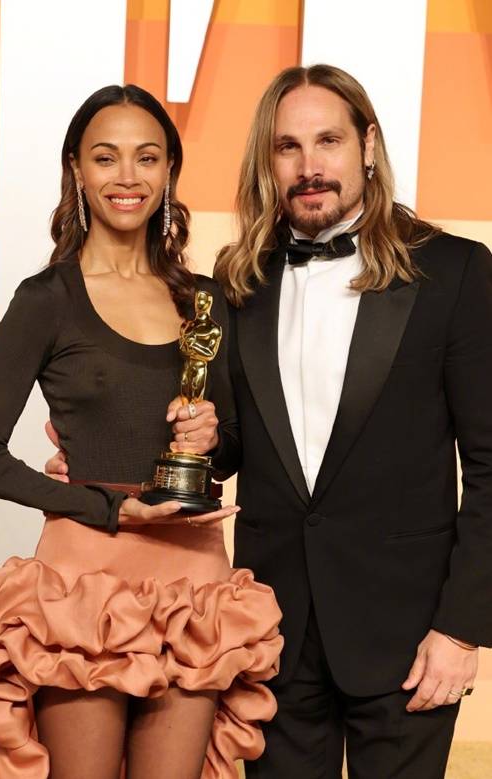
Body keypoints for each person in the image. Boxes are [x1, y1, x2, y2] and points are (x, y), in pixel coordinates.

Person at [0, 84, 283, 779]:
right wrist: (108, 506)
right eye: (106, 158)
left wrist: (210, 436)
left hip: (193, 581)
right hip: (85, 581)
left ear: (169, 170)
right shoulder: (47, 300)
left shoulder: (205, 301)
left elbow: (230, 453)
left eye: (146, 157)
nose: (127, 177)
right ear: (76, 168)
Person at [209, 64, 492, 778]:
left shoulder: (454, 272)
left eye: (328, 141)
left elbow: (491, 466)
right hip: (273, 633)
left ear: (367, 145)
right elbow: (228, 447)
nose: (309, 166)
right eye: (288, 146)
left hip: (410, 638)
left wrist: (462, 628)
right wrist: (109, 449)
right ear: (268, 161)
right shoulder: (238, 282)